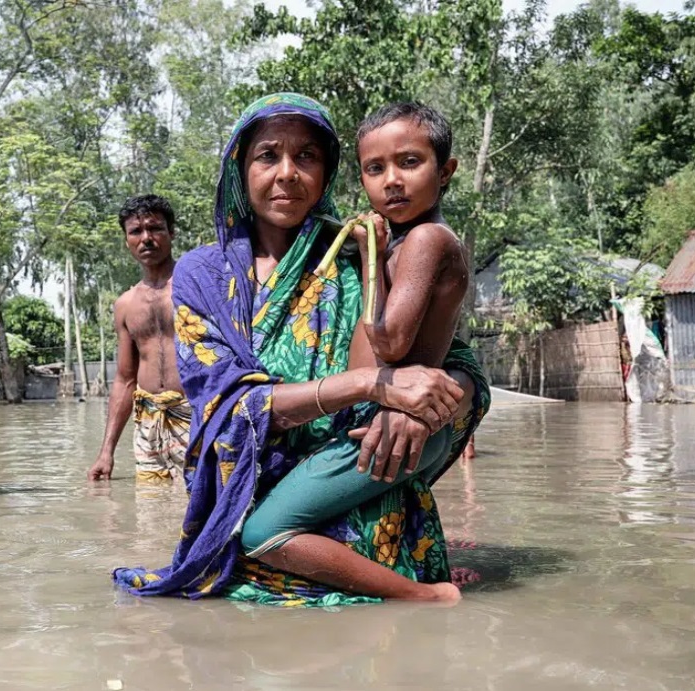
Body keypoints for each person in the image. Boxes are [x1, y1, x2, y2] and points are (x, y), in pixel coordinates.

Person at [113, 93, 489, 605]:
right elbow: (225, 405)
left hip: (363, 484)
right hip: (257, 507)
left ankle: (416, 587)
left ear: (329, 173)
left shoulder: (363, 249)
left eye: (306, 157)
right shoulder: (202, 276)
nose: (287, 173)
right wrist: (371, 385)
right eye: (268, 155)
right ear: (239, 170)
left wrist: (427, 410)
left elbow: (453, 359)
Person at [349, 102, 472, 482]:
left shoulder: (426, 238)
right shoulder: (405, 241)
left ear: (446, 171)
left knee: (263, 531)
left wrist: (372, 256)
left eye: (409, 162)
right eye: (375, 168)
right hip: (379, 418)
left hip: (390, 422)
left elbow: (389, 342)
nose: (391, 180)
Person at [87, 195, 191, 483]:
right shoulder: (125, 304)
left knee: (198, 506)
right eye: (136, 231)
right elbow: (124, 379)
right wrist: (106, 452)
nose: (146, 238)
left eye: (155, 228)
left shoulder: (196, 287)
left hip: (194, 415)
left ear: (171, 233)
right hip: (148, 422)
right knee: (149, 509)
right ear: (126, 241)